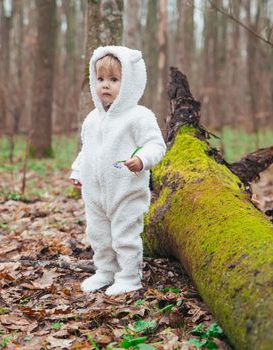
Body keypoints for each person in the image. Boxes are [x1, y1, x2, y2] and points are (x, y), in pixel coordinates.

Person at [69, 46, 166, 296]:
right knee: (99, 235)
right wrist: (78, 170)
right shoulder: (92, 119)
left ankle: (129, 276)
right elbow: (88, 149)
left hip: (126, 190)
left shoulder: (138, 116)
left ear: (130, 82)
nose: (106, 85)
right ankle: (105, 271)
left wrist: (142, 159)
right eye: (100, 79)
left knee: (125, 235)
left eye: (114, 79)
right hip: (96, 193)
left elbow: (156, 145)